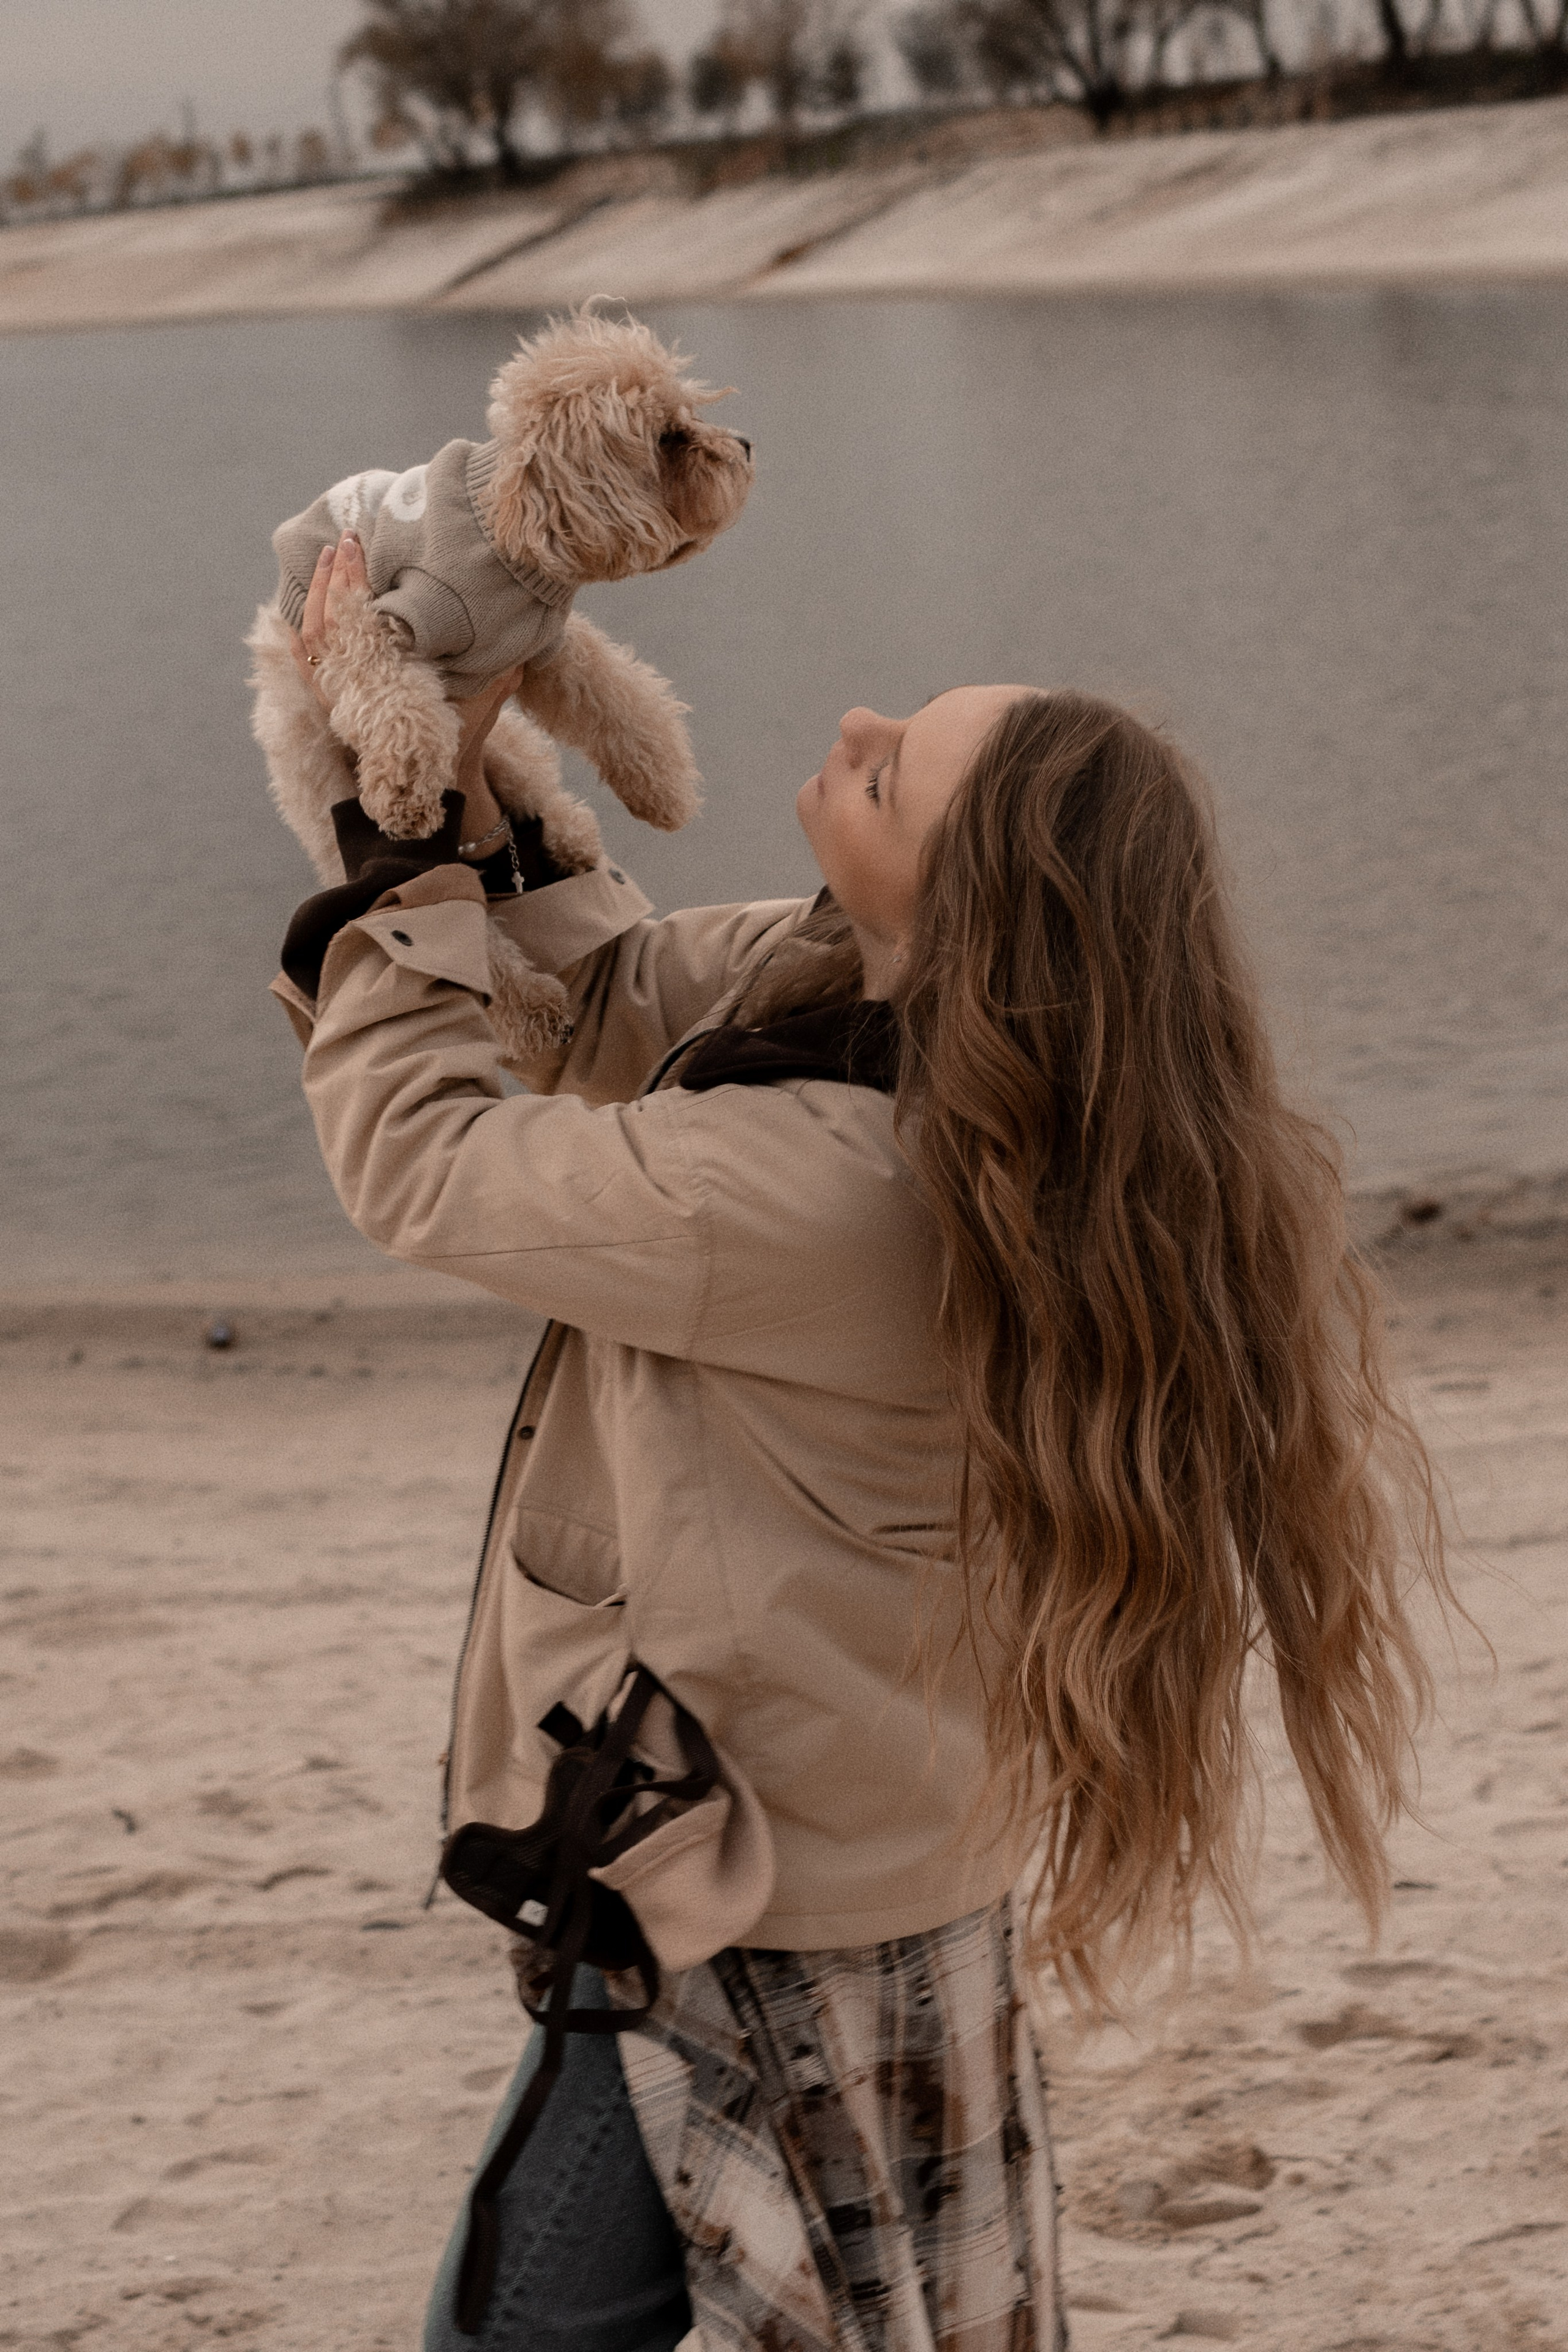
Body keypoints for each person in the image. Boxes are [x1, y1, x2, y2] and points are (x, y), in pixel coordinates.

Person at [274, 534, 1449, 2352]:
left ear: (963, 910)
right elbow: (603, 1003)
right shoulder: (915, 1039)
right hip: (871, 1841)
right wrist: (477, 778)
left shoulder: (829, 1191)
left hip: (739, 1898)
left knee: (516, 2326)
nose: (852, 722)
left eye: (892, 763)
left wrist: (399, 861)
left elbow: (423, 1165)